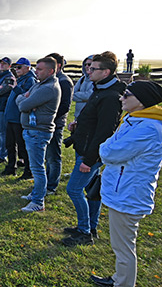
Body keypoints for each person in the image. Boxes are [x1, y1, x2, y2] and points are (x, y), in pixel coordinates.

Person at [90, 80, 162, 287]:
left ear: (142, 101)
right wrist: (106, 148)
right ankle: (119, 279)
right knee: (120, 243)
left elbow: (111, 152)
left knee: (123, 246)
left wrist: (104, 149)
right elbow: (111, 146)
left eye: (127, 95)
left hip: (129, 193)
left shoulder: (149, 128)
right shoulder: (135, 120)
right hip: (122, 189)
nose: (121, 98)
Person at [62, 51, 125, 246]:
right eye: (88, 67)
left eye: (93, 68)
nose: (88, 71)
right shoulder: (101, 89)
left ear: (106, 72)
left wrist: (89, 161)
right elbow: (94, 119)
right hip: (87, 147)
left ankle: (84, 231)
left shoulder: (110, 96)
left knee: (73, 189)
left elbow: (105, 132)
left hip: (91, 153)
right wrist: (78, 124)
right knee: (91, 189)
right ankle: (92, 225)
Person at [16, 57, 60, 212]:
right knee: (37, 166)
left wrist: (25, 101)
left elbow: (23, 105)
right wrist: (24, 100)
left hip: (38, 132)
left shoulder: (48, 88)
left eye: (40, 69)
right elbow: (22, 99)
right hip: (33, 131)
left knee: (37, 168)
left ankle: (38, 201)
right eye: (36, 68)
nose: (36, 71)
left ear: (51, 71)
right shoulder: (40, 85)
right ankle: (36, 193)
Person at [2, 58, 36, 178]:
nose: (17, 69)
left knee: (22, 146)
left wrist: (15, 87)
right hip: (11, 117)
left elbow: (27, 97)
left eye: (19, 67)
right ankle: (11, 167)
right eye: (16, 67)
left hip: (19, 118)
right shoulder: (21, 79)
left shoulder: (30, 80)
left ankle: (28, 170)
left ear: (28, 67)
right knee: (10, 144)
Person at [44, 53, 73, 194]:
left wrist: (50, 118)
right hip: (48, 124)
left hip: (56, 124)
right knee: (48, 156)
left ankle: (51, 186)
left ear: (58, 66)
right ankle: (47, 181)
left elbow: (65, 106)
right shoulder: (53, 80)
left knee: (54, 157)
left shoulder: (64, 81)